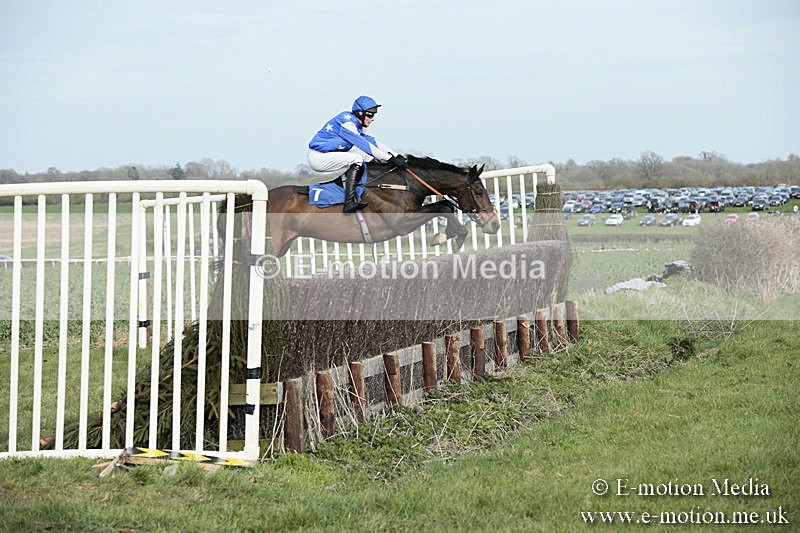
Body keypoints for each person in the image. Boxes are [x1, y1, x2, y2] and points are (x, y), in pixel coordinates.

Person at [308, 95, 407, 213]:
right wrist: (389, 159)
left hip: (331, 153)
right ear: (360, 113)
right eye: (370, 115)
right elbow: (363, 144)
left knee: (366, 157)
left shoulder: (357, 123)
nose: (373, 118)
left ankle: (363, 189)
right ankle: (349, 201)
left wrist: (395, 155)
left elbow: (372, 141)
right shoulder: (347, 125)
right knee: (357, 158)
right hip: (319, 157)